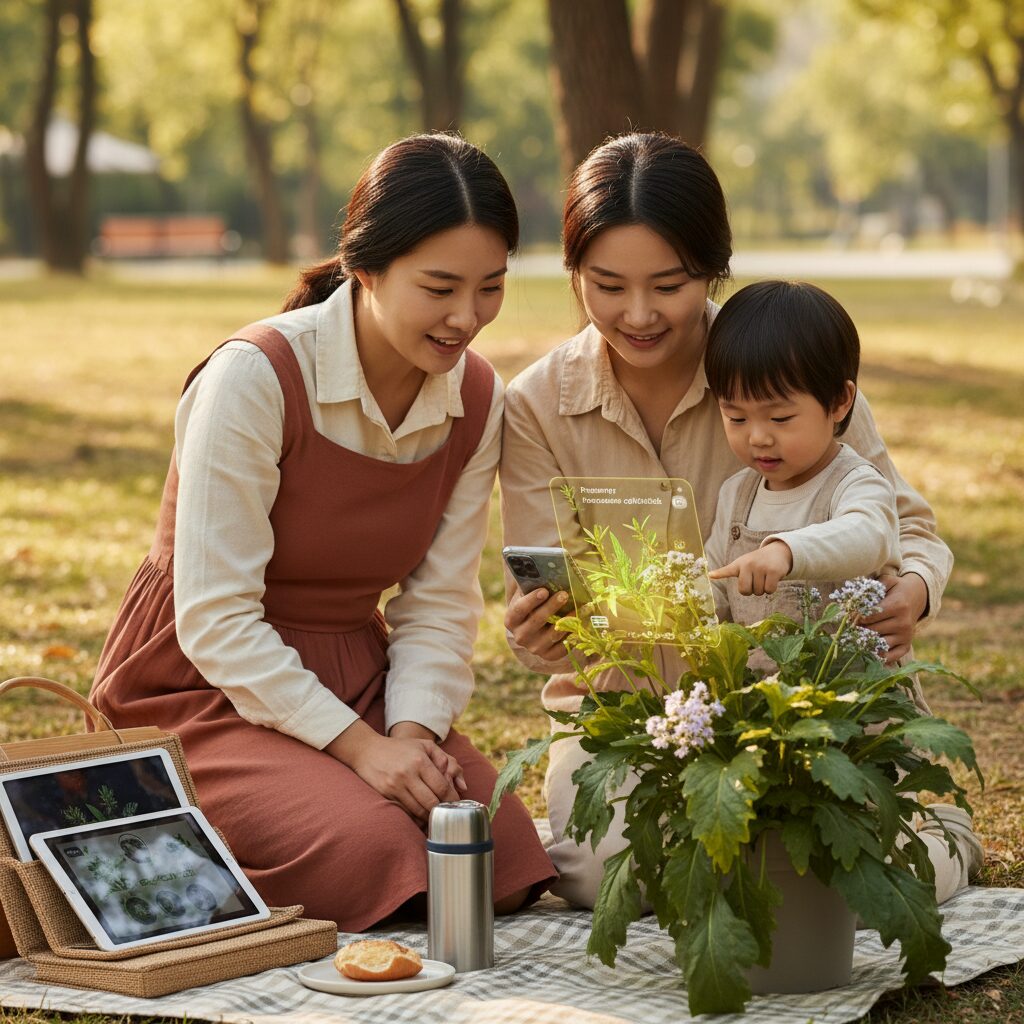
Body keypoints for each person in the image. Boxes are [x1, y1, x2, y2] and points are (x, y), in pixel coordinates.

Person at [91, 133, 556, 931]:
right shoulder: (257, 377)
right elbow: (214, 619)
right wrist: (361, 753)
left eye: (491, 288)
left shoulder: (476, 399)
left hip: (358, 671)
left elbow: (439, 603)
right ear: (364, 269)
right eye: (439, 287)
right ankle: (139, 862)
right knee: (380, 855)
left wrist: (407, 739)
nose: (466, 318)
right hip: (201, 684)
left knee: (495, 854)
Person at [498, 132, 961, 909]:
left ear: (713, 270)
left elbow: (908, 529)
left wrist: (912, 591)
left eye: (670, 286)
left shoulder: (785, 367)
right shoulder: (537, 406)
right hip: (631, 715)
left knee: (896, 869)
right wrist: (535, 633)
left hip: (804, 706)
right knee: (598, 879)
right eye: (607, 285)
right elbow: (550, 583)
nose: (638, 315)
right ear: (574, 273)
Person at [702, 279, 982, 904]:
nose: (758, 438)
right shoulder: (735, 497)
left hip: (860, 724)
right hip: (771, 727)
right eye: (736, 417)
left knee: (884, 879)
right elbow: (714, 580)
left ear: (839, 403)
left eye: (779, 417)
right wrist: (684, 594)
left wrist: (786, 552)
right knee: (776, 873)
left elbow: (867, 535)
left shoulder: (854, 482)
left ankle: (950, 839)